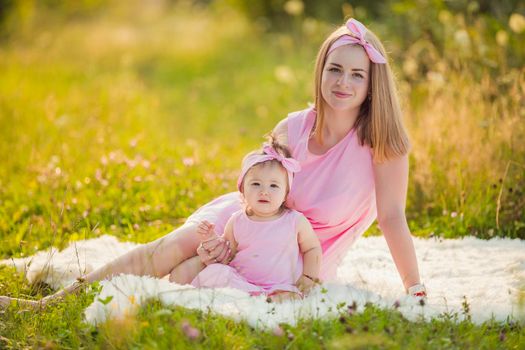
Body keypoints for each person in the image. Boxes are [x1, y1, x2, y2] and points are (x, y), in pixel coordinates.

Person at [0, 17, 426, 309]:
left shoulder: (383, 144)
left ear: (373, 85)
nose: (343, 83)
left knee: (196, 277)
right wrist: (229, 234)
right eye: (334, 69)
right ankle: (51, 304)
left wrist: (415, 288)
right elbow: (258, 186)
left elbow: (391, 218)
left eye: (357, 75)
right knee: (173, 249)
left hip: (298, 250)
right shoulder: (293, 127)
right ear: (320, 72)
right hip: (248, 217)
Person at [189, 139, 322, 301]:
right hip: (243, 282)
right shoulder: (237, 221)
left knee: (291, 296)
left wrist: (309, 277)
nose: (264, 192)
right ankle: (249, 296)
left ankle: (272, 299)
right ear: (242, 189)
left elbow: (312, 248)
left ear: (286, 193)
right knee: (215, 272)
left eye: (274, 186)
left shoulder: (295, 221)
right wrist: (210, 239)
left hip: (281, 285)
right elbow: (228, 254)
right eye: (256, 184)